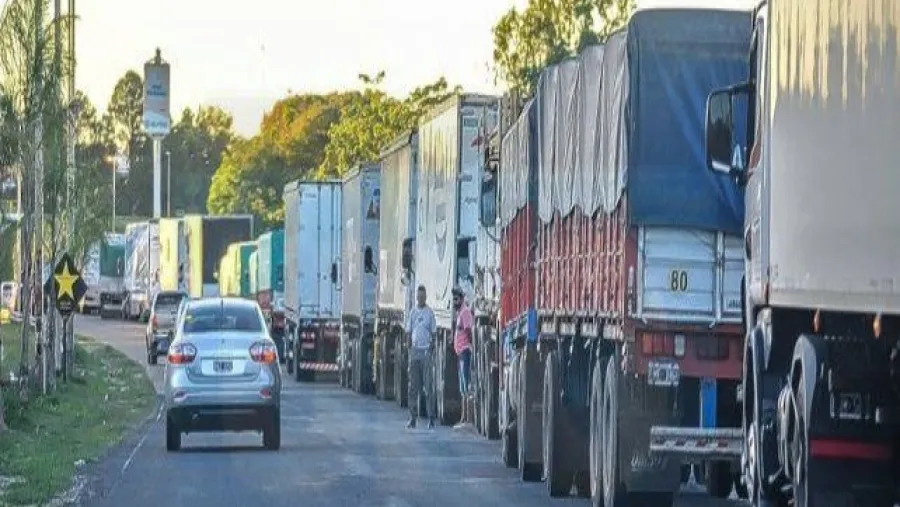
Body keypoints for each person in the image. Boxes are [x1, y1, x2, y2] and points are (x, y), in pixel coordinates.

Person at [405, 285, 436, 429]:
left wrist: (431, 348)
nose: (421, 298)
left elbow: (434, 333)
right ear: (416, 297)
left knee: (428, 387)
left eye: (423, 296)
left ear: (426, 297)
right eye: (419, 296)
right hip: (415, 352)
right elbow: (408, 331)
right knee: (413, 387)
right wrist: (409, 349)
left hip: (425, 353)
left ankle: (430, 418)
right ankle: (412, 417)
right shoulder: (412, 313)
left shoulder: (430, 313)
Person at [452, 287, 474, 428]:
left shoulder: (465, 313)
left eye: (457, 299)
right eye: (454, 299)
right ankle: (463, 417)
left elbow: (468, 330)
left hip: (465, 352)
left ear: (461, 299)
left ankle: (468, 419)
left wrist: (470, 345)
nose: (455, 302)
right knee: (462, 387)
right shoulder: (459, 313)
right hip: (460, 353)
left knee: (466, 386)